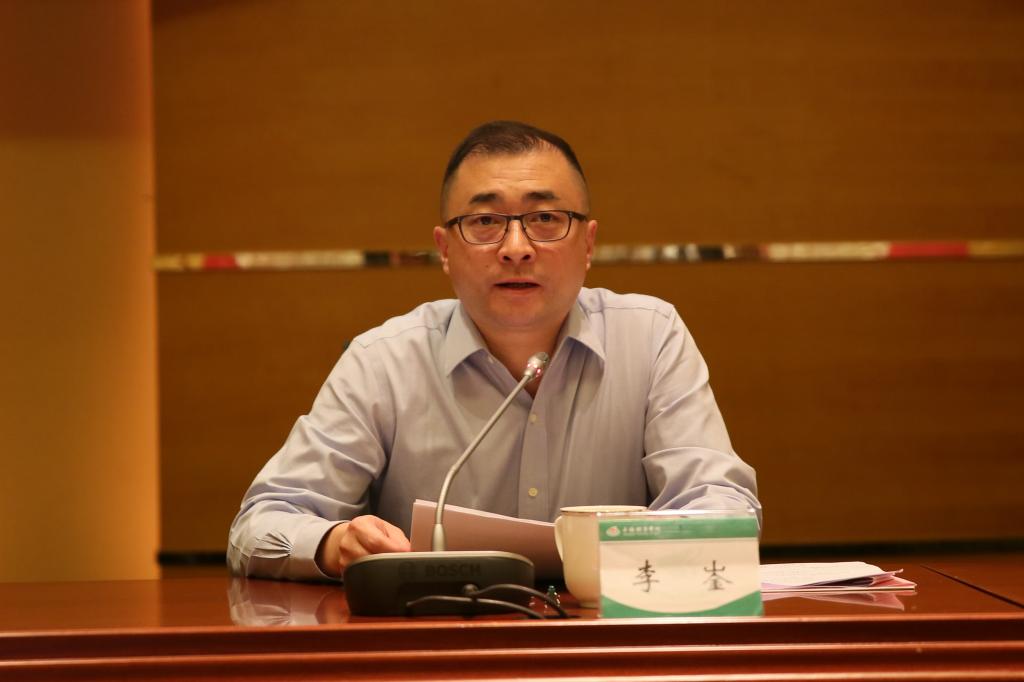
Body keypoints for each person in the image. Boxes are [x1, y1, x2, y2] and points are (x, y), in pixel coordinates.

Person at [228, 121, 760, 581]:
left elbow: (724, 509)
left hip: (605, 638)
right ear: (444, 250)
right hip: (439, 643)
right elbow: (259, 526)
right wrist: (335, 543)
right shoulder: (384, 361)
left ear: (588, 243)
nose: (516, 248)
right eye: (484, 222)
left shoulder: (650, 337)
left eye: (545, 219)